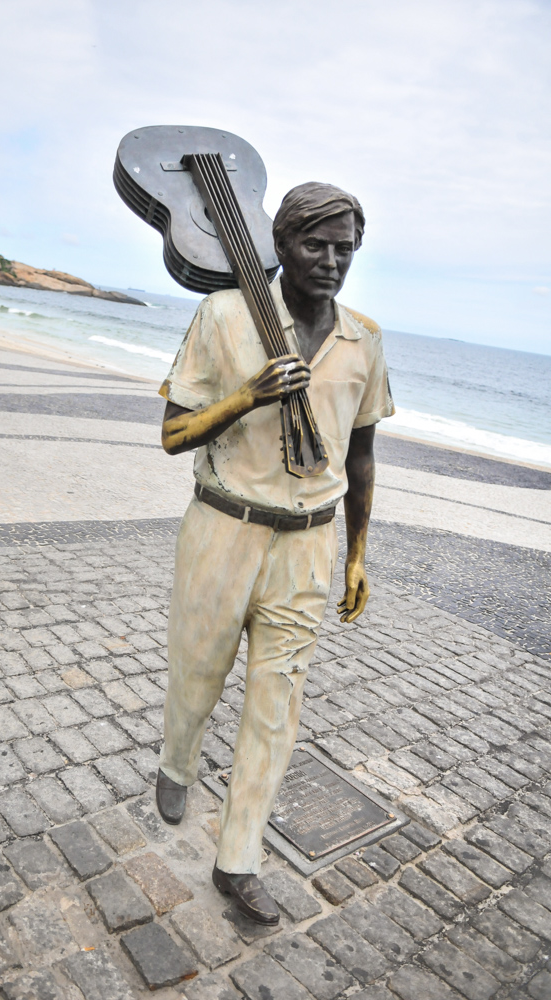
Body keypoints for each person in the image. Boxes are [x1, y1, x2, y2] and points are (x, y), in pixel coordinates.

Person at [155, 182, 395, 924]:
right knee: (198, 673)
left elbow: (361, 457)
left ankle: (239, 857)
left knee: (276, 706)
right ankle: (177, 762)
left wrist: (356, 553)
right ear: (281, 246)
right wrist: (248, 397)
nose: (331, 261)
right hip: (222, 528)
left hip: (308, 545)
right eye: (315, 245)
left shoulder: (363, 338)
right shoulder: (225, 315)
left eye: (344, 248)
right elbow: (171, 434)